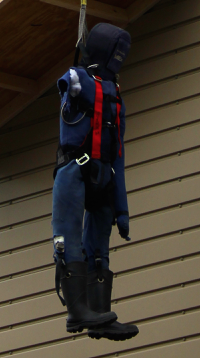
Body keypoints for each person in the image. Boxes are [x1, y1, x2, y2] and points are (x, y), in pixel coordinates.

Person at [51, 23, 139, 340]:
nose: (119, 59)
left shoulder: (116, 97)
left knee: (99, 243)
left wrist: (122, 209)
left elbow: (119, 155)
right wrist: (72, 81)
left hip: (104, 174)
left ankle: (99, 314)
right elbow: (67, 85)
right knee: (69, 238)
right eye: (115, 52)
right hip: (74, 169)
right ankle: (77, 311)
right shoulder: (80, 81)